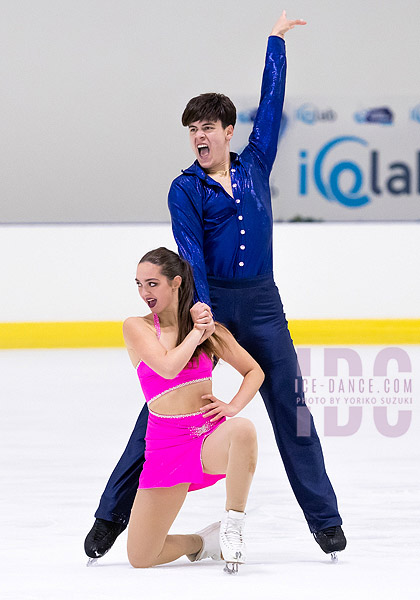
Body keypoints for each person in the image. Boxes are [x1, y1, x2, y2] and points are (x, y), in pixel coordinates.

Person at [85, 10, 346, 563]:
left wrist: (275, 43)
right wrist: (200, 305)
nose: (200, 136)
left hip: (263, 303)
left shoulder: (255, 163)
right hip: (211, 300)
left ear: (228, 131)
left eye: (208, 127)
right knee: (161, 409)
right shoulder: (185, 187)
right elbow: (190, 246)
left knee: (291, 407)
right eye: (193, 129)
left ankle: (325, 521)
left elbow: (271, 108)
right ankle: (111, 517)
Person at [118, 247, 262, 571]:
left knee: (242, 429)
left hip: (204, 438)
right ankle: (204, 543)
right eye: (139, 284)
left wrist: (233, 405)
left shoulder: (213, 333)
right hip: (165, 445)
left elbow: (255, 371)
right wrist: (197, 332)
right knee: (141, 557)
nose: (144, 292)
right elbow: (168, 368)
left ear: (176, 282)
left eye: (152, 284)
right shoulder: (137, 327)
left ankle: (232, 526)